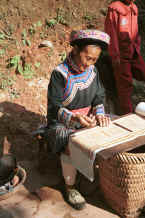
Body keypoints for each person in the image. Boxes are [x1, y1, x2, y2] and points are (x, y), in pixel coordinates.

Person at [46, 29, 111, 209]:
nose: (90, 63)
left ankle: (95, 175)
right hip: (61, 123)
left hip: (86, 119)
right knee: (71, 142)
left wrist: (99, 113)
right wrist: (75, 118)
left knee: (110, 125)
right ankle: (70, 187)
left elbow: (99, 96)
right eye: (87, 57)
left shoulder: (92, 71)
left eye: (95, 60)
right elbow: (54, 107)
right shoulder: (60, 74)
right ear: (75, 50)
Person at [105, 0, 145, 115]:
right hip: (121, 55)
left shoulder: (133, 8)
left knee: (142, 71)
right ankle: (127, 115)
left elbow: (135, 30)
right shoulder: (114, 9)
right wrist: (115, 54)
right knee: (125, 85)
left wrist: (137, 45)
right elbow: (111, 33)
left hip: (133, 52)